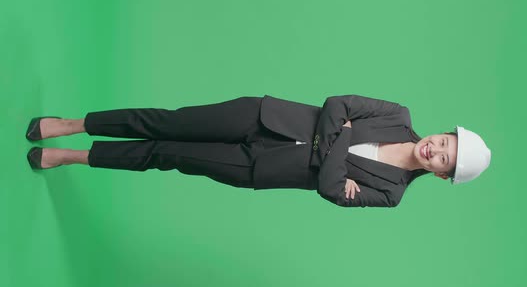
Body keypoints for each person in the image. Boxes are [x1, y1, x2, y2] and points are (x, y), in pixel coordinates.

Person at [25, 95, 491, 208]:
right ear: (443, 134)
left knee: (164, 153)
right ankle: (74, 125)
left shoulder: (391, 194)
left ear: (442, 175)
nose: (436, 149)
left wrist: (342, 135)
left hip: (260, 167)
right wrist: (336, 144)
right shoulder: (397, 114)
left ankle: (74, 156)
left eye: (444, 159)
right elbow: (336, 104)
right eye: (445, 142)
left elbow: (329, 190)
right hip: (263, 116)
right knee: (165, 122)